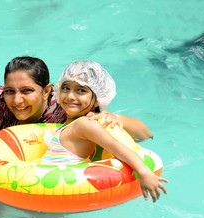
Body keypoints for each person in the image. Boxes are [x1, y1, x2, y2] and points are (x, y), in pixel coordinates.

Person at [0, 56, 153, 156]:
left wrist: (112, 118)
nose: (17, 101)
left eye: (27, 91)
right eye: (11, 91)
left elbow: (144, 134)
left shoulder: (66, 110)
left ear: (47, 91)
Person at [41, 60, 168, 202]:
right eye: (65, 88)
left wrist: (144, 172)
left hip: (61, 193)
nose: (70, 96)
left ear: (97, 100)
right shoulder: (68, 123)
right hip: (50, 190)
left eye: (81, 90)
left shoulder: (84, 124)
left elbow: (116, 147)